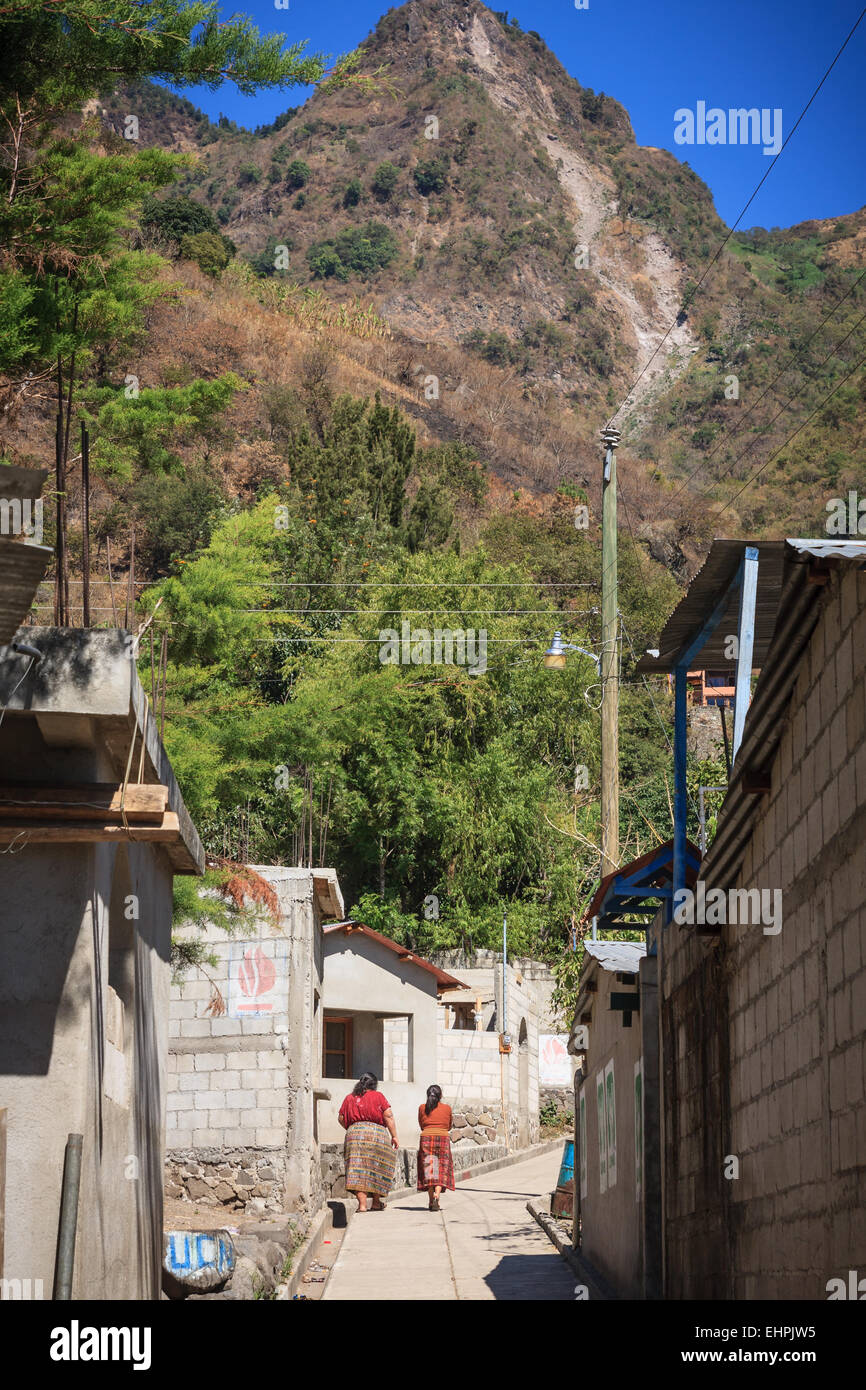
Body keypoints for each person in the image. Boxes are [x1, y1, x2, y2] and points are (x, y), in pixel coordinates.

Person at [338, 1072, 399, 1212]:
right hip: (377, 1135)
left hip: (355, 1136)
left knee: (357, 1168)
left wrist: (353, 1128)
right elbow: (388, 1115)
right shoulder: (378, 1096)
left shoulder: (349, 1098)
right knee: (376, 1167)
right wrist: (394, 1136)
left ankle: (363, 1205)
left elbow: (341, 1118)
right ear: (374, 1085)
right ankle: (376, 1202)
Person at [417, 1083, 454, 1212]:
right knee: (441, 1168)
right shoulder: (447, 1108)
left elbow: (422, 1125)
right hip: (443, 1138)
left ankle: (430, 1200)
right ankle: (437, 1195)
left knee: (430, 1168)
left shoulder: (422, 1108)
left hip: (426, 1138)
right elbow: (449, 1126)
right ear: (440, 1096)